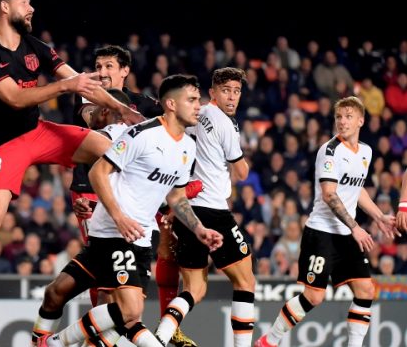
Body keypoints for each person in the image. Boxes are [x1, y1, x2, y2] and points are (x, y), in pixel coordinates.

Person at [0, 0, 143, 330]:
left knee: (112, 151)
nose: (31, 7)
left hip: (39, 133)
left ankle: (109, 210)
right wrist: (67, 85)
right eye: (24, 1)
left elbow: (80, 81)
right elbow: (16, 98)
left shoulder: (35, 45)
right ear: (5, 8)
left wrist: (119, 110)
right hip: (4, 144)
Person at [36, 75, 223, 347]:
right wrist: (119, 216)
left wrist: (199, 229)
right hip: (117, 231)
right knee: (129, 311)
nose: (198, 106)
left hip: (137, 235)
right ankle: (55, 343)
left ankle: (49, 342)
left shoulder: (188, 147)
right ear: (171, 104)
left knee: (57, 293)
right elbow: (99, 172)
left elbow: (176, 197)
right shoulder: (141, 134)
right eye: (192, 100)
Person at [255, 96, 400, 347]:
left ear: (361, 121)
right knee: (314, 296)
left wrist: (378, 217)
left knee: (365, 290)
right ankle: (269, 341)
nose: (342, 121)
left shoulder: (365, 151)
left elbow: (356, 189)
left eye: (348, 116)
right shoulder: (330, 151)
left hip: (347, 235)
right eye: (339, 117)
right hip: (322, 233)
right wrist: (355, 227)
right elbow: (330, 194)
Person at [154, 67, 256, 346]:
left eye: (236, 91)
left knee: (195, 289)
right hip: (213, 210)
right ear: (213, 93)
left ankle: (162, 335)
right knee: (246, 282)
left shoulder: (194, 113)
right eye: (226, 91)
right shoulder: (224, 122)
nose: (232, 97)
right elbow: (242, 173)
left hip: (186, 208)